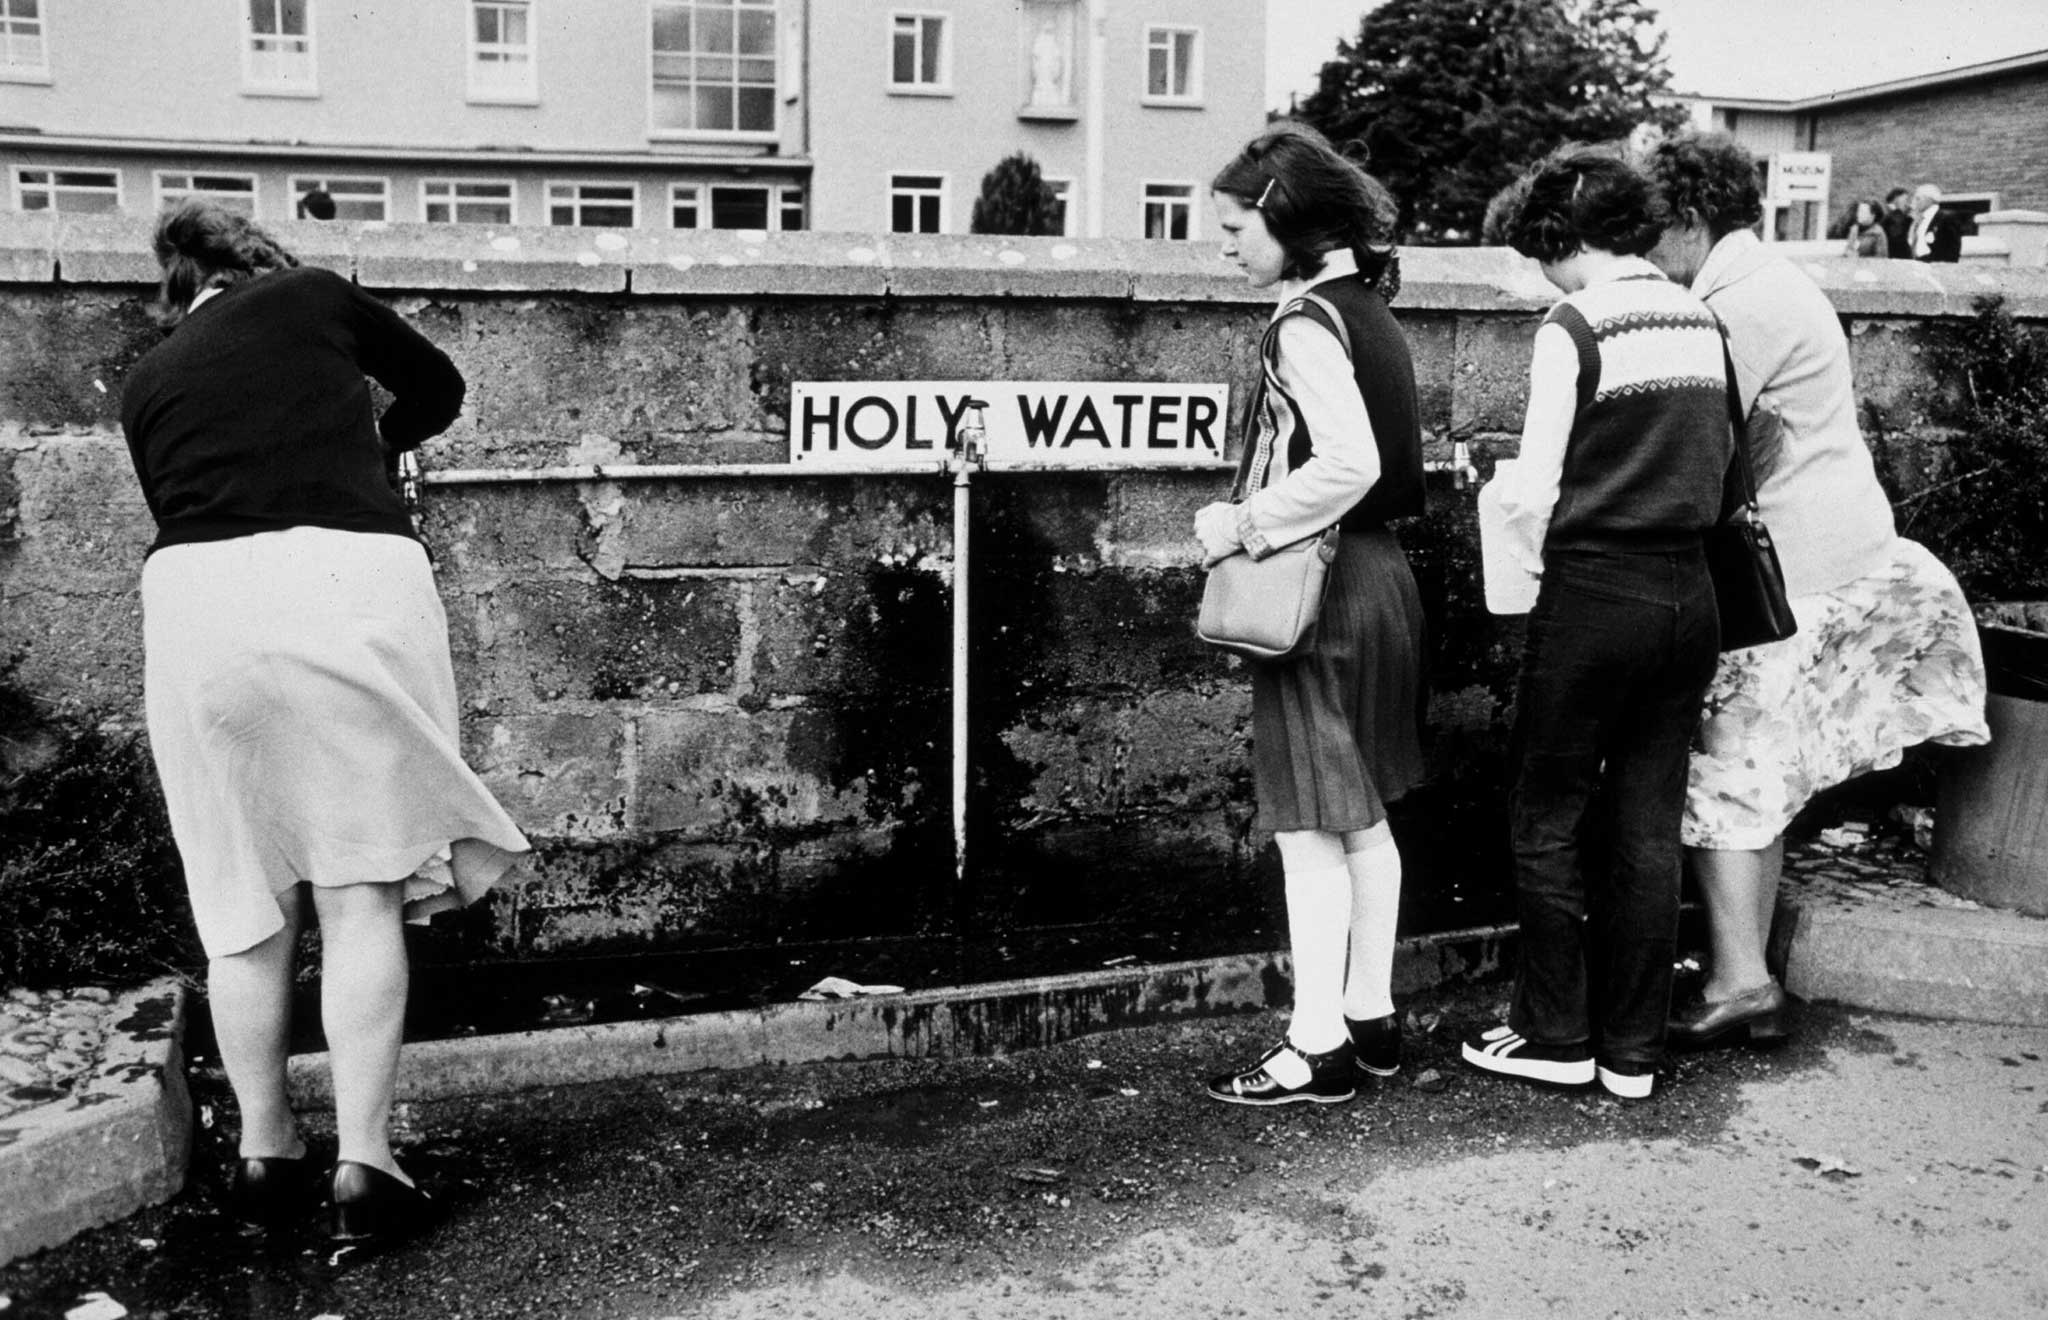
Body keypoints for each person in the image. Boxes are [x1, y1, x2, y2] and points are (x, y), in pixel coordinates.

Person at [120, 200, 531, 1241]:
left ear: (179, 292)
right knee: (358, 892)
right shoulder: (309, 295)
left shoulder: (147, 379)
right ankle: (365, 1167)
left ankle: (265, 1155)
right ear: (257, 261)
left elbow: (185, 497)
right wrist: (376, 446)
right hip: (343, 576)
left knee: (242, 903)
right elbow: (439, 387)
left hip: (195, 603)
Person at [1640, 133, 1989, 1048]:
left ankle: (1741, 982)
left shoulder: (1733, 305)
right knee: (1761, 769)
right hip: (1835, 551)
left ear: (1688, 218)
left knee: (1731, 767)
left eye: (1648, 231)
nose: (1641, 252)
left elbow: (1714, 449)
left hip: (1786, 573)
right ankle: (1742, 969)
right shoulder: (1770, 278)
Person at [1464, 152, 1729, 1101]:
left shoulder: (1572, 326)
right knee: (1650, 821)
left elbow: (1533, 488)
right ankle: (1632, 1051)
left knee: (1548, 810)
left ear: (1558, 237)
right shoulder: (1701, 317)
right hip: (1690, 590)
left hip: (1596, 589)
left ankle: (1556, 1032)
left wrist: (1525, 569)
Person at [1194, 122, 1427, 1106]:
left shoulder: (1301, 322)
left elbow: (1347, 463)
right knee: (1361, 815)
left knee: (1306, 828)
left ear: (1284, 218)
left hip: (1317, 587)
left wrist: (1238, 524)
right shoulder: (1366, 307)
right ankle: (1369, 1016)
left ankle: (1314, 1046)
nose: (1223, 246)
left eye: (1234, 227)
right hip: (1380, 578)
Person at [1909, 183, 1964, 262]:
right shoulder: (1919, 220)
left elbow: (1953, 247)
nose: (1914, 202)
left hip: (1936, 264)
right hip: (1918, 262)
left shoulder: (1946, 218)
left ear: (1929, 200)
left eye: (1918, 199)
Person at [1879, 187, 1914, 259]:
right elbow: (1897, 236)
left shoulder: (1905, 217)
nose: (1907, 204)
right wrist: (1897, 212)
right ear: (1895, 200)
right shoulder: (1888, 218)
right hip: (1896, 258)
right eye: (1906, 200)